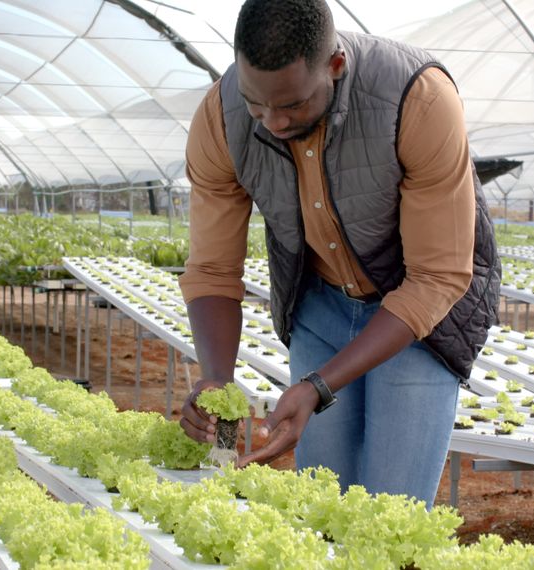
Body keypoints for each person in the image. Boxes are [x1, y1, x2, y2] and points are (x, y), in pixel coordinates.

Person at [178, 0, 500, 506]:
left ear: (335, 66)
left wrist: (318, 386)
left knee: (390, 509)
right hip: (320, 305)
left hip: (418, 318)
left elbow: (436, 277)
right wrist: (216, 380)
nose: (273, 123)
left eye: (293, 105)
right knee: (323, 508)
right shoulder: (220, 118)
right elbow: (214, 269)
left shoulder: (418, 97)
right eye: (256, 103)